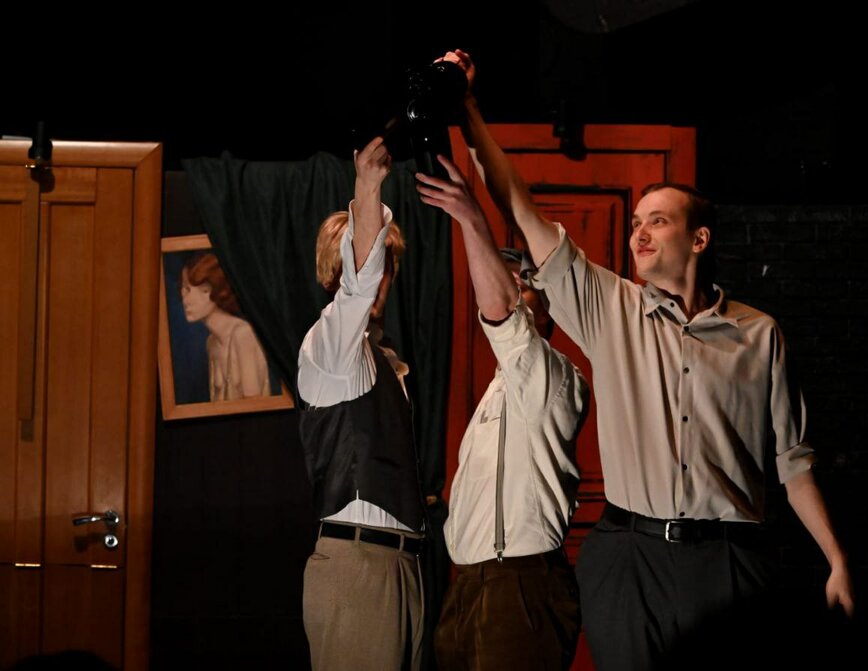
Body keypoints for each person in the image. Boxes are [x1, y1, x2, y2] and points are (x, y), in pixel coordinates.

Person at [441, 49, 855, 669]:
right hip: (629, 555)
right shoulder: (610, 309)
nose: (639, 233)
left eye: (657, 222)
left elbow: (793, 465)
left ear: (698, 239)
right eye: (636, 221)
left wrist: (837, 559)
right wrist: (469, 110)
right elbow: (521, 208)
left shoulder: (760, 335)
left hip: (727, 557)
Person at [416, 154, 588, 670]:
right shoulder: (495, 391)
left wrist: (472, 219)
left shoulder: (555, 376)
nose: (511, 286)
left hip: (519, 583)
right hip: (466, 585)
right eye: (504, 276)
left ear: (546, 305)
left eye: (523, 282)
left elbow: (504, 317)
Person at [297, 136, 426, 670]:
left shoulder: (384, 360)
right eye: (374, 264)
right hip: (358, 566)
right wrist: (368, 188)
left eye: (385, 267)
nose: (379, 279)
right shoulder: (330, 348)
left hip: (401, 567)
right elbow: (357, 290)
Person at [179, 251, 270, 400]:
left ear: (211, 291)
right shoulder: (211, 343)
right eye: (183, 289)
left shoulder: (243, 334)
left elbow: (255, 405)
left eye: (188, 290)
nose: (185, 300)